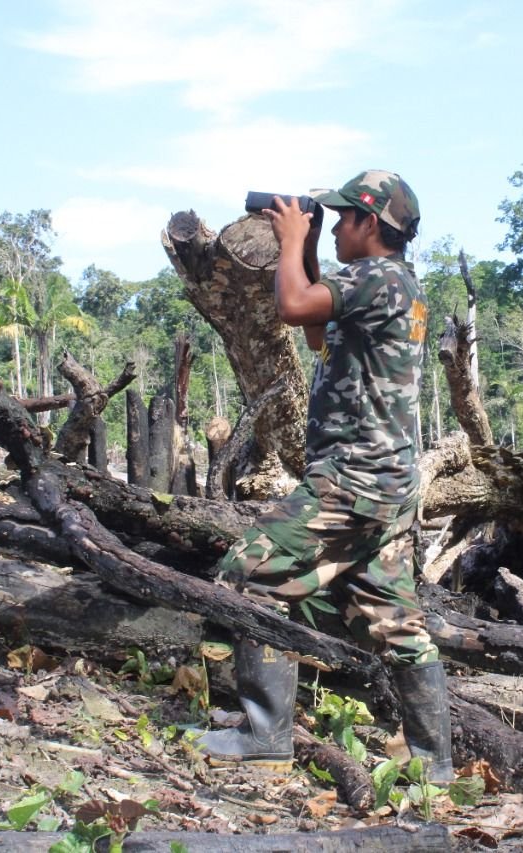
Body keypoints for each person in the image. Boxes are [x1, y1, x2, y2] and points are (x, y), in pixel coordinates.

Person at [196, 170, 453, 782]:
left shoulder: (376, 277)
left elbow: (290, 307)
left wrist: (288, 240)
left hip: (352, 480)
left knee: (249, 575)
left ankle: (265, 735)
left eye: (342, 219)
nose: (334, 227)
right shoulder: (395, 285)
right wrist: (307, 246)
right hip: (385, 485)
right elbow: (315, 327)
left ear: (372, 223)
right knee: (395, 622)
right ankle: (433, 762)